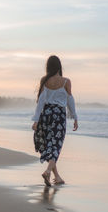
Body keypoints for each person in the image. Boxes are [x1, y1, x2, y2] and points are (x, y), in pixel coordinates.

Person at [32, 55, 78, 186]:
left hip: (46, 115)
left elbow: (40, 101)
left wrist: (36, 120)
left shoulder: (45, 80)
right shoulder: (66, 81)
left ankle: (57, 176)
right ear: (59, 66)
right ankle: (47, 171)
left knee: (49, 146)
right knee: (56, 146)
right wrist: (75, 117)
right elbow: (70, 100)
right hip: (58, 115)